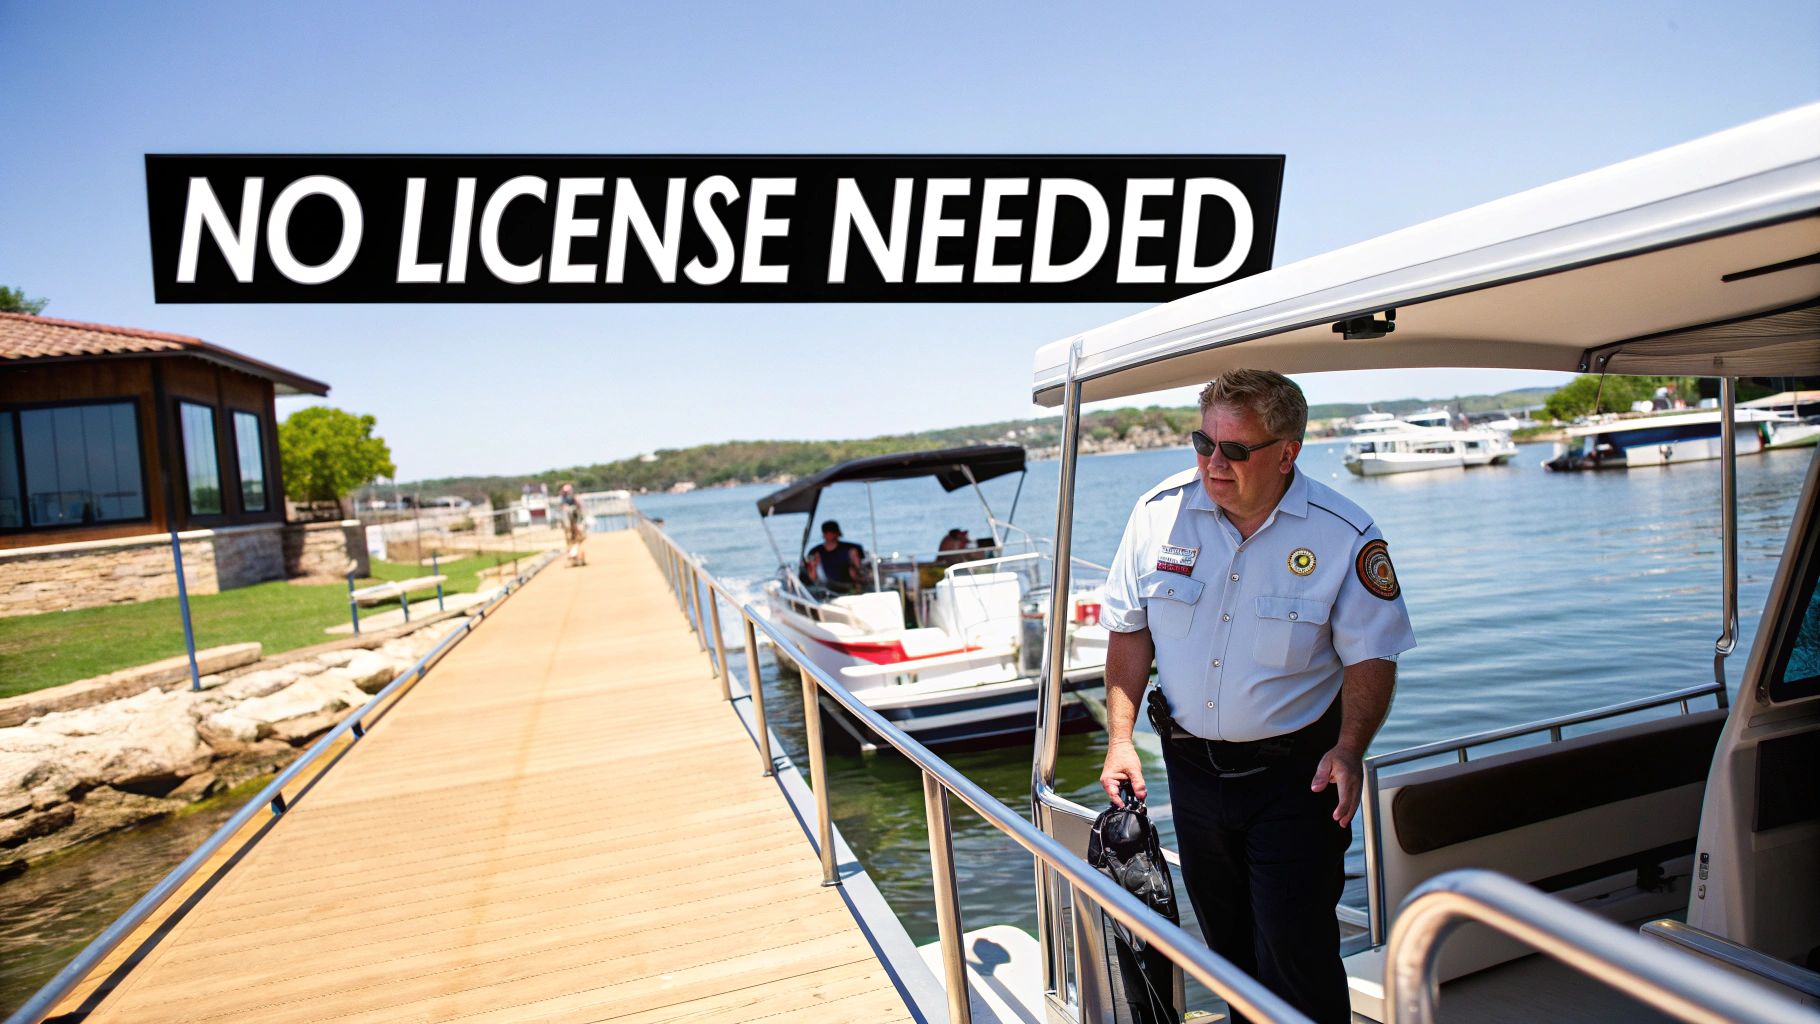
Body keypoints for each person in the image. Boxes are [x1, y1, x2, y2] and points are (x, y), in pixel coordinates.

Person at [1096, 368, 1415, 1024]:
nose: (1213, 462)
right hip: (1191, 775)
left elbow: (1372, 655)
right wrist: (1121, 739)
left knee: (1296, 952)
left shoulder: (1342, 533)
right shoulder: (1159, 514)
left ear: (1286, 452)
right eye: (1203, 443)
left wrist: (1351, 749)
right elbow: (1130, 633)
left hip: (1297, 778)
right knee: (1229, 951)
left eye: (1235, 450)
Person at [804, 520, 866, 594]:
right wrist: (814, 566)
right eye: (828, 532)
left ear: (837, 533)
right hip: (826, 589)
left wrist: (855, 570)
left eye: (833, 532)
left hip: (850, 587)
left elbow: (860, 572)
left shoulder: (851, 550)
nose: (831, 535)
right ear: (824, 534)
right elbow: (813, 578)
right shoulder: (816, 553)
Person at [558, 483, 587, 566]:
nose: (567, 493)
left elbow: (578, 507)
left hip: (575, 519)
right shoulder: (563, 499)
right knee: (570, 538)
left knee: (578, 538)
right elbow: (563, 507)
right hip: (569, 520)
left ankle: (578, 557)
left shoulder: (574, 498)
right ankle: (573, 557)